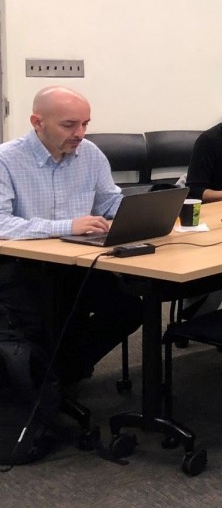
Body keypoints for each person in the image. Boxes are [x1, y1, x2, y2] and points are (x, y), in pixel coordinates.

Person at [0, 87, 139, 383]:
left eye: (85, 124)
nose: (80, 133)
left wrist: (137, 213)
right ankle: (48, 383)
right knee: (44, 320)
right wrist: (67, 226)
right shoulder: (7, 160)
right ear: (37, 122)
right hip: (25, 268)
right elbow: (1, 224)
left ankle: (57, 377)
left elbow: (109, 201)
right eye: (69, 125)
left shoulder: (89, 153)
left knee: (128, 308)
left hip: (79, 262)